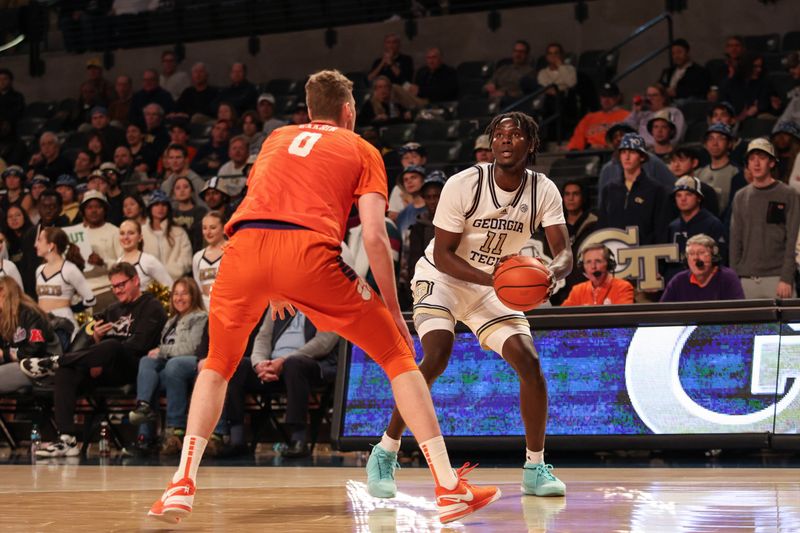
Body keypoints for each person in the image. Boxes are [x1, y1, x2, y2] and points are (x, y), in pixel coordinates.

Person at [148, 69, 500, 525]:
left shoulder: (275, 139)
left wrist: (274, 285)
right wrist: (393, 309)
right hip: (308, 255)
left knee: (217, 364)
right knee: (398, 358)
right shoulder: (362, 147)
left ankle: (181, 483)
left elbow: (265, 205)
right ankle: (449, 488)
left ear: (310, 110)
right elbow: (374, 236)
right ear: (349, 111)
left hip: (243, 252)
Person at [369, 111, 570, 506]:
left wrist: (553, 271)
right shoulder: (464, 183)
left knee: (529, 362)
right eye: (499, 134)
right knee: (438, 353)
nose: (505, 140)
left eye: (515, 135)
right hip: (444, 277)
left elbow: (563, 251)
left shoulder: (543, 189)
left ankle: (535, 467)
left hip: (495, 283)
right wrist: (496, 281)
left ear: (531, 144)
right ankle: (385, 451)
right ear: (491, 143)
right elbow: (443, 256)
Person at [26, 262, 167, 457]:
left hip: (133, 366)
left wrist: (101, 353)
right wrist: (96, 340)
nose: (117, 290)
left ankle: (57, 360)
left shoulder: (152, 307)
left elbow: (138, 345)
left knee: (112, 346)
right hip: (103, 366)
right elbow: (88, 340)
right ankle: (67, 439)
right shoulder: (112, 309)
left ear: (135, 280)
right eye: (114, 286)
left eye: (121, 285)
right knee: (66, 372)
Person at [224, 307, 338, 458]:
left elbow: (324, 343)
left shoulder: (327, 303)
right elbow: (263, 337)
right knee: (237, 367)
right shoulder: (279, 302)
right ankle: (236, 439)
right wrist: (259, 363)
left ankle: (298, 440)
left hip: (312, 364)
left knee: (294, 364)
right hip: (272, 364)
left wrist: (283, 361)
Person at [129, 277, 207, 455]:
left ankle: (175, 429)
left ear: (193, 295)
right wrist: (159, 353)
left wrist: (161, 350)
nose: (179, 298)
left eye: (184, 294)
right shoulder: (171, 320)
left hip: (191, 363)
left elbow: (192, 348)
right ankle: (144, 424)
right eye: (176, 294)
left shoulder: (200, 317)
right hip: (170, 364)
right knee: (146, 362)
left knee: (172, 365)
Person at [730, 138, 800, 299]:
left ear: (772, 163)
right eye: (752, 159)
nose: (756, 163)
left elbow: (792, 239)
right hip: (746, 279)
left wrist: (786, 278)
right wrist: (734, 280)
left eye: (761, 158)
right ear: (747, 164)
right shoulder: (740, 196)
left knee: (784, 324)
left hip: (778, 279)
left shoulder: (788, 194)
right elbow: (735, 240)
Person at [597, 133, 672, 245]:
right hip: (614, 252)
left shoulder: (656, 190)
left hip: (646, 253)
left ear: (642, 157)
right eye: (623, 152)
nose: (627, 157)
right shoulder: (609, 189)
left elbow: (661, 228)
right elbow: (602, 224)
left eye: (632, 152)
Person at [0, 277, 60, 394]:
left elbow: (35, 349)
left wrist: (5, 354)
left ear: (4, 294)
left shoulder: (31, 314)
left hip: (39, 367)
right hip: (17, 364)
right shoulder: (5, 317)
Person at [663, 176, 727, 282]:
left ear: (699, 198)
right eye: (678, 195)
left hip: (705, 283)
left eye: (688, 194)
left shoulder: (713, 224)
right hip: (678, 285)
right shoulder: (672, 226)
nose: (683, 199)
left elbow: (720, 260)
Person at [34, 227, 95, 333]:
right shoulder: (39, 270)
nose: (36, 245)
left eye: (39, 240)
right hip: (43, 323)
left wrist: (68, 308)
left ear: (51, 245)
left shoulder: (69, 269)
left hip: (64, 325)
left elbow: (91, 299)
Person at [550, 180, 598, 306]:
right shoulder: (553, 224)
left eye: (575, 194)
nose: (571, 198)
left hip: (585, 283)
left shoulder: (595, 222)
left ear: (583, 197)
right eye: (567, 194)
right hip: (560, 286)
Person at [661, 234, 744, 302]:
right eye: (691, 253)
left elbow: (739, 313)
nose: (696, 258)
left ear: (713, 256)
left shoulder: (728, 278)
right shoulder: (678, 281)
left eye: (701, 252)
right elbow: (663, 312)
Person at [20, 190, 68, 297]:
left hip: (63, 289)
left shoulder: (68, 230)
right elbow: (26, 268)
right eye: (44, 206)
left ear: (60, 208)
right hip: (36, 292)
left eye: (52, 206)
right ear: (38, 208)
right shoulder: (30, 234)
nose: (48, 210)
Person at [141, 190, 193, 280]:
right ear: (150, 207)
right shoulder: (141, 232)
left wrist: (167, 272)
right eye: (156, 204)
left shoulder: (179, 232)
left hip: (176, 283)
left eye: (164, 205)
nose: (160, 208)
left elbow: (187, 260)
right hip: (149, 285)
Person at [562, 244, 633, 306]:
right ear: (582, 266)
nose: (593, 266)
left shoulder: (622, 287)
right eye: (588, 262)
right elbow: (563, 316)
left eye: (598, 261)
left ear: (608, 264)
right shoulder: (577, 291)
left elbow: (623, 319)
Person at [696, 123, 744, 214]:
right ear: (705, 144)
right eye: (711, 138)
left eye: (720, 138)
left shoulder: (736, 172)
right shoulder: (699, 173)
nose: (715, 143)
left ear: (729, 144)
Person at [566, 82, 630, 151]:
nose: (606, 99)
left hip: (615, 153)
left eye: (610, 96)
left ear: (618, 97)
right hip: (592, 154)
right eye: (604, 96)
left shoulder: (628, 116)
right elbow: (576, 143)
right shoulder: (589, 118)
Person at [406, 174, 445, 282]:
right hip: (426, 281)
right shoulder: (418, 227)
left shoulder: (455, 223)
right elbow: (414, 261)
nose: (432, 201)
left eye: (436, 196)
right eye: (428, 197)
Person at [118, 219, 173, 291]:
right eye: (122, 233)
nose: (125, 237)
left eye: (131, 233)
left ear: (140, 237)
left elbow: (170, 286)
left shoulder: (148, 260)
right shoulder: (118, 263)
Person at [666, 145, 721, 217]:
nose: (676, 165)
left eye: (681, 160)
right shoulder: (668, 191)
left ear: (694, 163)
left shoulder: (705, 190)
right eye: (673, 161)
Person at [192, 212, 225, 309]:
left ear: (223, 229)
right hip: (205, 309)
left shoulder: (232, 252)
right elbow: (198, 286)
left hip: (227, 308)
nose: (208, 232)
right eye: (204, 228)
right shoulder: (198, 257)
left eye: (213, 228)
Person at [171, 177, 206, 251]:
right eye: (178, 188)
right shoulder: (170, 213)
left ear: (192, 192)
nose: (182, 190)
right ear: (173, 194)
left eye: (186, 187)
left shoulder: (201, 212)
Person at [771, 121, 800, 187]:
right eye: (778, 134)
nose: (781, 138)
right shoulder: (769, 159)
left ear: (794, 139)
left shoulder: (799, 159)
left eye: (786, 134)